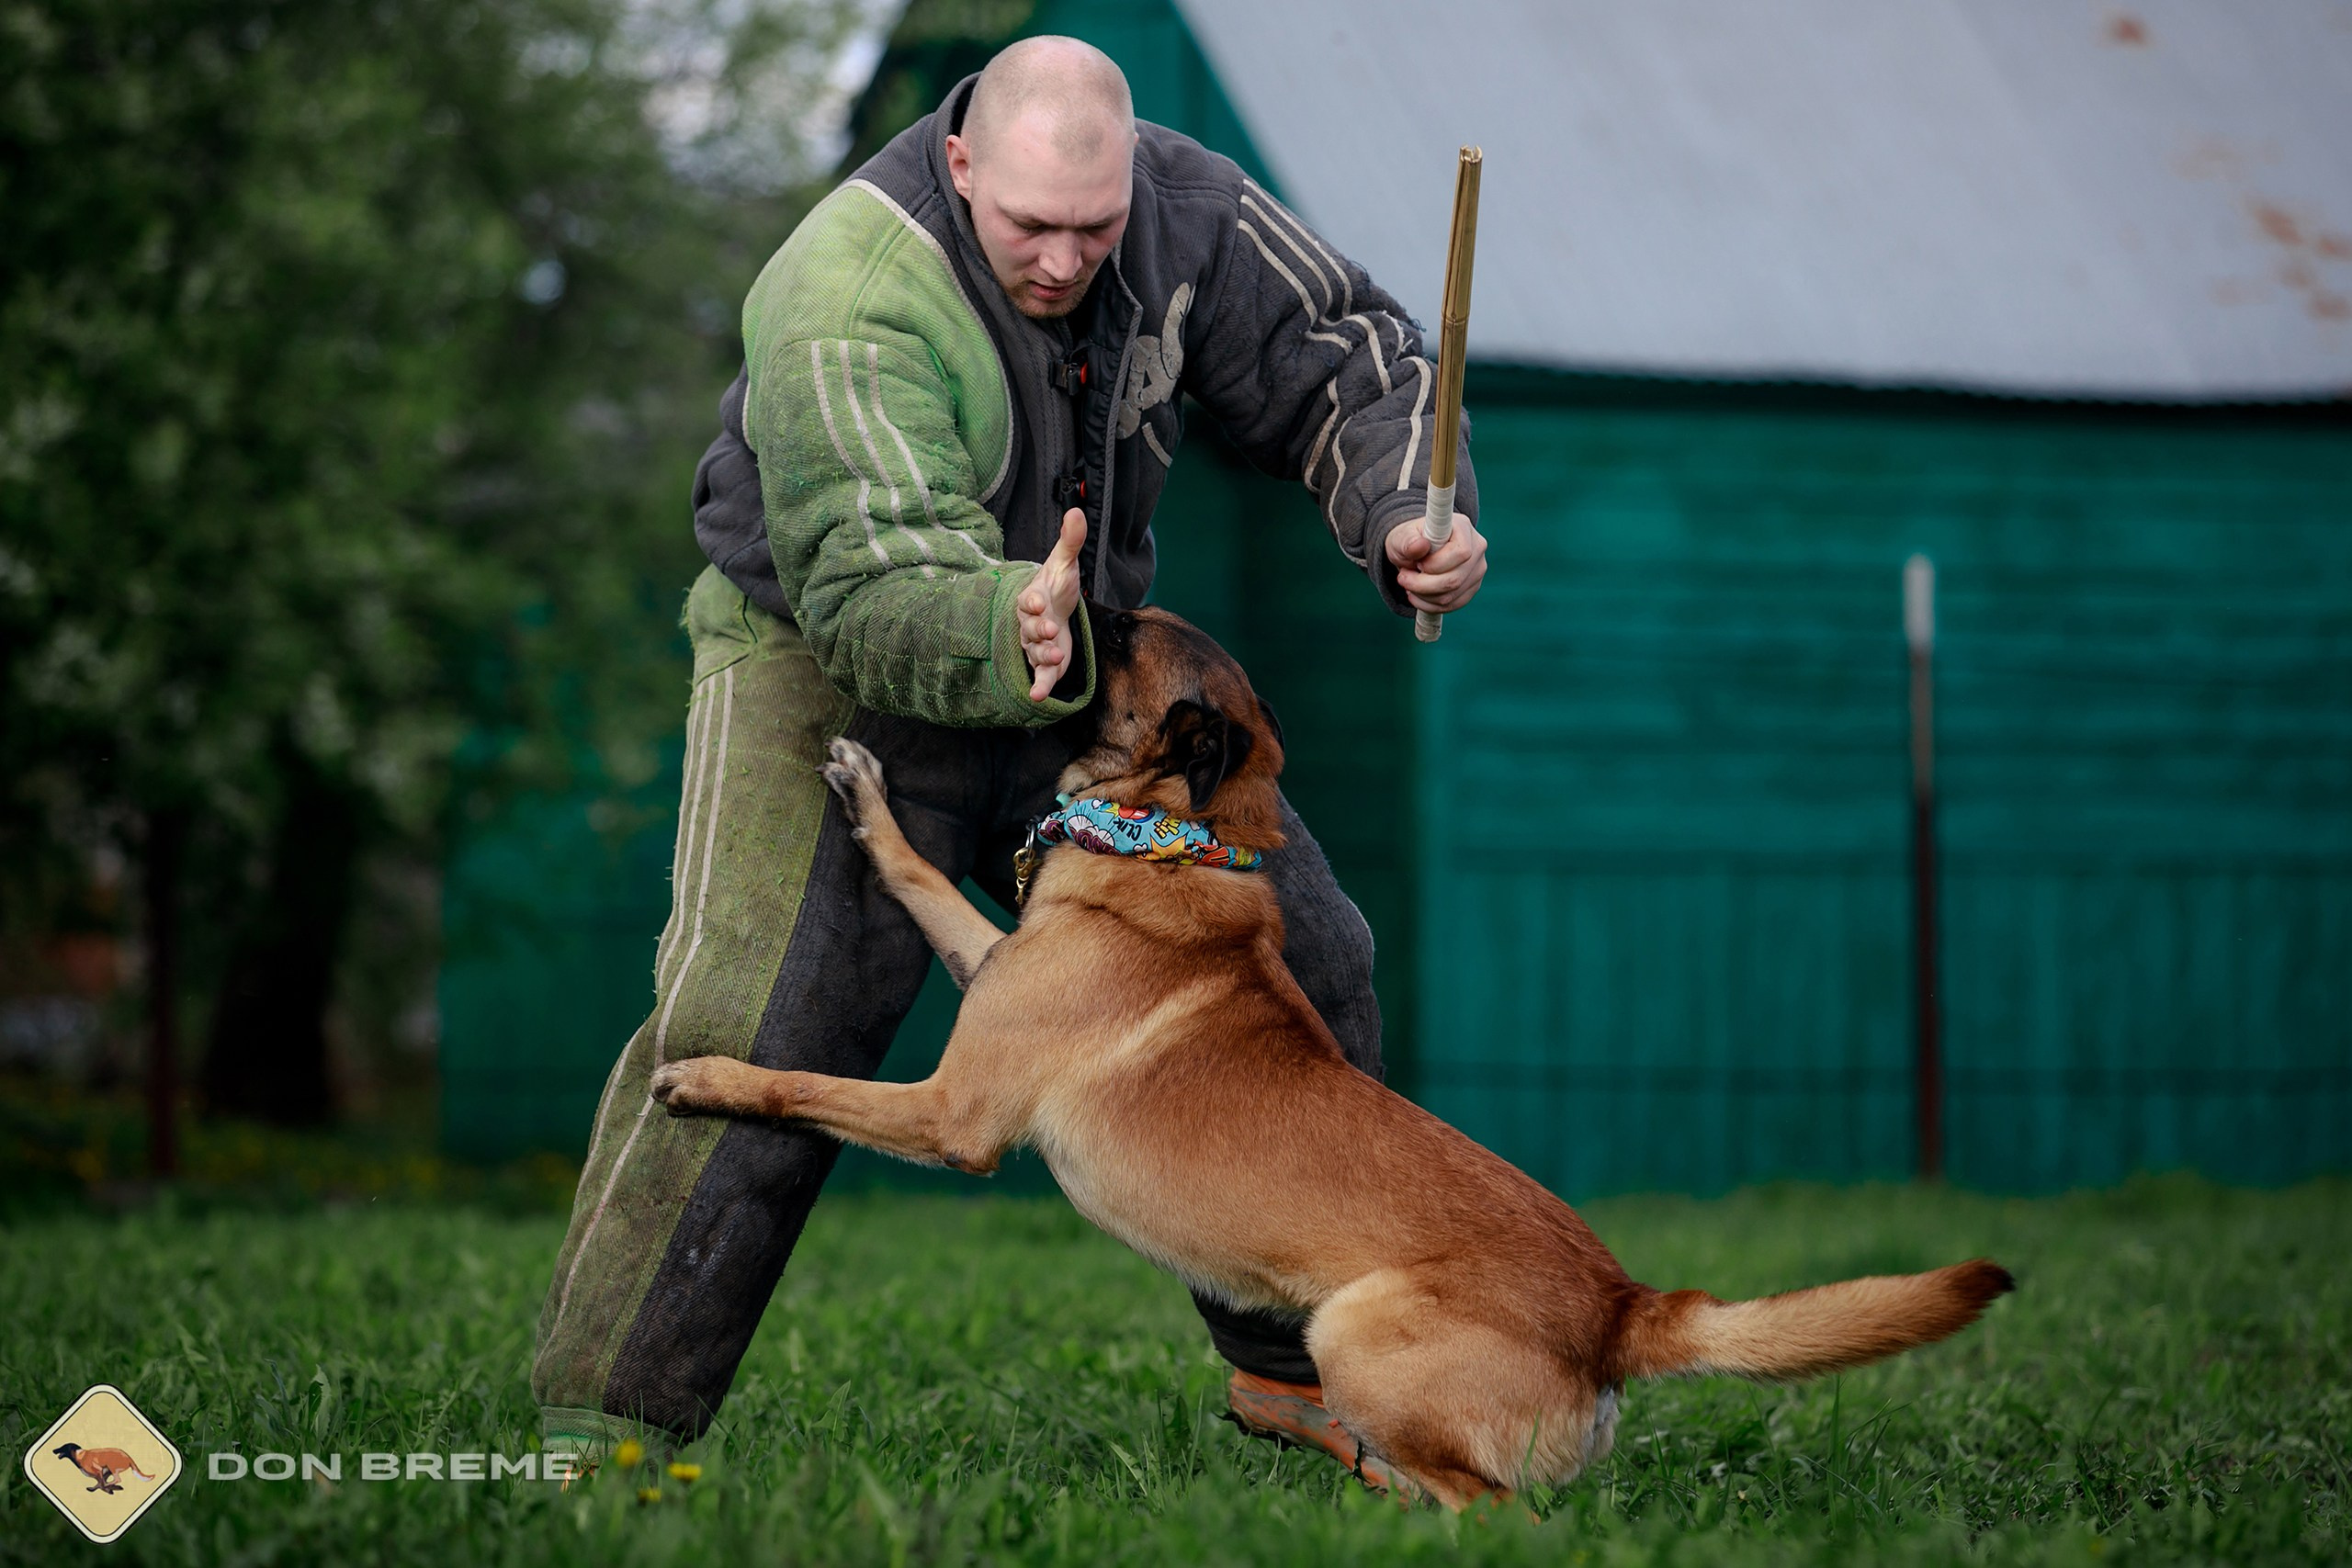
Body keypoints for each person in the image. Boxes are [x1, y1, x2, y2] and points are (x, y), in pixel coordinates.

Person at [529, 35, 1488, 1483]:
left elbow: (1357, 358)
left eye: (1092, 232)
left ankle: (1297, 1377)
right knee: (765, 1009)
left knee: (1317, 955)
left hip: (1093, 675)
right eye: (1030, 227)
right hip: (836, 652)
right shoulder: (849, 286)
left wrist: (1408, 514)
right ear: (962, 158)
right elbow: (864, 574)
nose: (1062, 260)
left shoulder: (1194, 209)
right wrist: (1001, 617)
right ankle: (609, 1422)